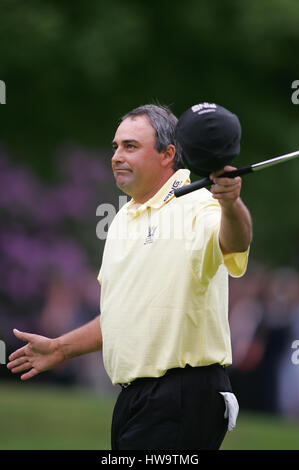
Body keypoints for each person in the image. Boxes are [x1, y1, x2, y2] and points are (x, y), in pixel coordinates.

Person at [7, 104, 252, 450]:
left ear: (168, 154)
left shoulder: (200, 205)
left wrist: (230, 204)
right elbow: (121, 316)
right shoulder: (122, 219)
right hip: (135, 397)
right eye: (116, 147)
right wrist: (61, 349)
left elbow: (235, 240)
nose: (117, 156)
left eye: (131, 147)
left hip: (184, 393)